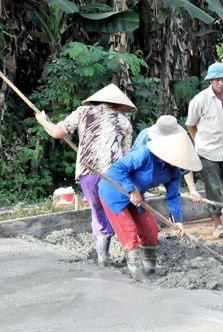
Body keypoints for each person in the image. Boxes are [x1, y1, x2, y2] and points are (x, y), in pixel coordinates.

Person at [36, 84, 135, 267]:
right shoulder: (124, 121)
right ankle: (132, 256)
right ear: (119, 104)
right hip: (113, 175)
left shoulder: (83, 112)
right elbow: (126, 158)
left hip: (88, 172)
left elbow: (57, 132)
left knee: (97, 212)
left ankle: (103, 259)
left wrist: (42, 120)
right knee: (116, 211)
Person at [98, 116, 202, 281]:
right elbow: (118, 169)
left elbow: (173, 196)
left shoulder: (174, 171)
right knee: (129, 232)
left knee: (150, 230)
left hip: (136, 196)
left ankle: (150, 271)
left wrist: (178, 221)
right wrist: (132, 190)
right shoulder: (144, 153)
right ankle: (138, 276)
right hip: (114, 191)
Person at [185, 62, 223, 238]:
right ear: (210, 81)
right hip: (207, 151)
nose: (221, 83)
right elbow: (190, 125)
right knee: (213, 188)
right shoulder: (200, 100)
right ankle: (217, 223)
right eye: (217, 80)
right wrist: (199, 143)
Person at [132, 115, 202, 202]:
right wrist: (135, 189)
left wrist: (193, 190)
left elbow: (185, 163)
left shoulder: (180, 140)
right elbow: (132, 166)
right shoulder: (145, 138)